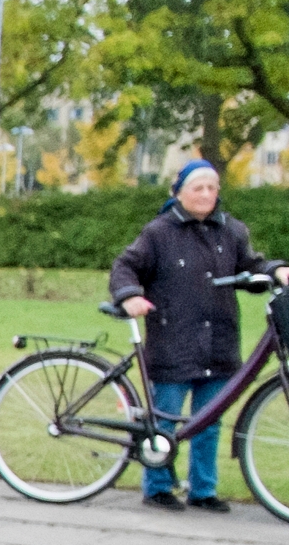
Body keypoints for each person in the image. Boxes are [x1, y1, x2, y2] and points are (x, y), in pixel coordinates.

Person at [110, 158, 272, 515]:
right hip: (173, 342)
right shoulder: (159, 233)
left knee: (208, 422)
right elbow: (126, 265)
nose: (205, 194)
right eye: (197, 188)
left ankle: (203, 489)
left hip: (219, 343)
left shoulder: (232, 232)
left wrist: (277, 272)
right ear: (179, 193)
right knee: (164, 420)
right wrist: (129, 295)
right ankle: (158, 486)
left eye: (212, 188)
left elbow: (253, 267)